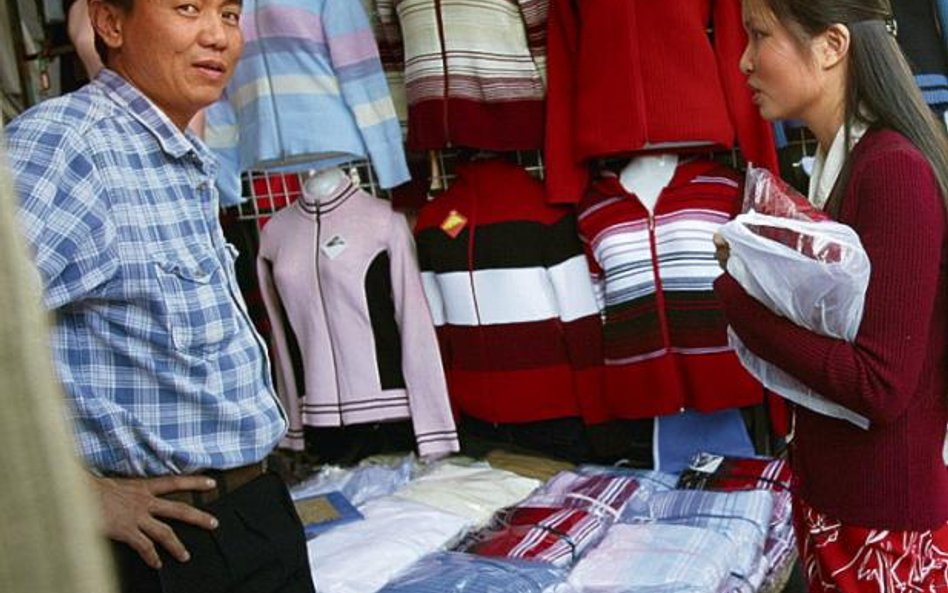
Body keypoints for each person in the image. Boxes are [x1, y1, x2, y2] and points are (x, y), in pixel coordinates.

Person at [3, 0, 315, 591]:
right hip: (164, 547)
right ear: (111, 23)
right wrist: (77, 494)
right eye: (187, 8)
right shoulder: (69, 145)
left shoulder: (178, 151)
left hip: (251, 513)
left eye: (228, 14)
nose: (216, 36)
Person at [712, 1, 948, 592]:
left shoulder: (893, 172)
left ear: (832, 45)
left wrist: (739, 298)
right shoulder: (838, 166)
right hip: (843, 507)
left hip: (884, 530)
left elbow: (880, 385)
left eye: (759, 36)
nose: (743, 61)